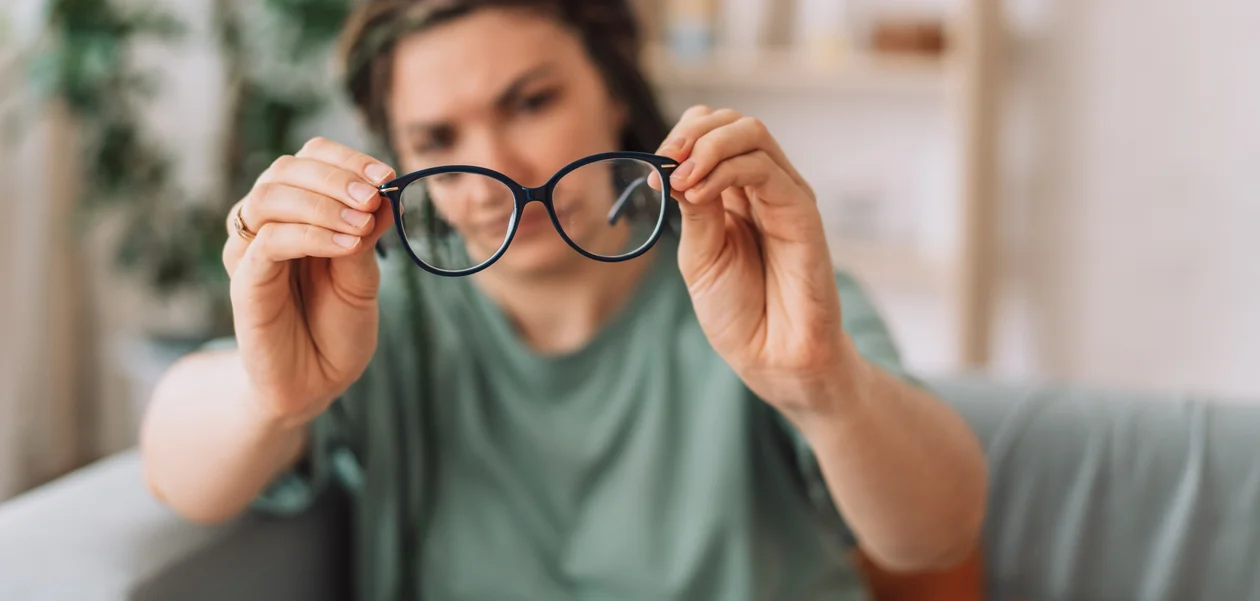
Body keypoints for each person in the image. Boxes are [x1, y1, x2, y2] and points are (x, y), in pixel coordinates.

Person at [140, 1, 989, 599]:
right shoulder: (380, 320)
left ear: (614, 91)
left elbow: (939, 531)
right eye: (437, 138)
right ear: (399, 160)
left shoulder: (767, 296)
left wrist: (821, 384)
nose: (496, 168)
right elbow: (176, 468)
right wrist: (270, 396)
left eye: (532, 102)